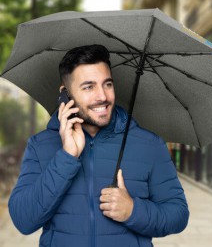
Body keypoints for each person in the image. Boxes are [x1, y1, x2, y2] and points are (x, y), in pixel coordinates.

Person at [8, 45, 189, 247]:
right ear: (65, 94)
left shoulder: (149, 144)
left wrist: (133, 211)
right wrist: (67, 157)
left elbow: (178, 214)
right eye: (89, 87)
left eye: (107, 84)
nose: (102, 96)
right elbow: (23, 221)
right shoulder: (40, 146)